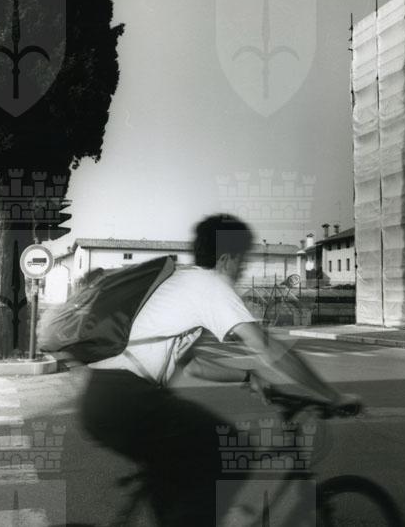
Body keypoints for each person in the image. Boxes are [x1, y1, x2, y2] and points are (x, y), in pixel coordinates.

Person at [80, 214, 359, 526]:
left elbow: (194, 365)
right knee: (232, 451)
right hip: (130, 400)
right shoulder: (210, 285)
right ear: (226, 259)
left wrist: (247, 376)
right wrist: (332, 395)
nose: (243, 270)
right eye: (243, 261)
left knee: (178, 484)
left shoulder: (183, 283)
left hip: (101, 399)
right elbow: (267, 347)